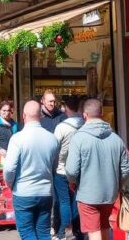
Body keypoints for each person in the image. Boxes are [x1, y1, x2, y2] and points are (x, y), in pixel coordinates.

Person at [65, 98, 129, 240]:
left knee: (94, 232)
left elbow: (71, 170)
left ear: (84, 115)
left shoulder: (79, 138)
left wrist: (72, 181)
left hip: (88, 194)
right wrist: (117, 185)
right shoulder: (116, 138)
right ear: (102, 113)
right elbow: (126, 169)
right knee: (105, 226)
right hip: (110, 194)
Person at [3, 101, 59, 240]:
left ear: (23, 116)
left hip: (23, 192)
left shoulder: (17, 139)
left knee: (27, 233)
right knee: (43, 233)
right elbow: (54, 166)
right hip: (45, 192)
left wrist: (10, 183)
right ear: (40, 115)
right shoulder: (52, 139)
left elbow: (10, 168)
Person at [53, 97, 86, 240]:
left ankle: (64, 231)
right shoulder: (84, 124)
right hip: (80, 169)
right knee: (76, 201)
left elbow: (54, 148)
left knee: (64, 201)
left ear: (66, 108)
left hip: (61, 169)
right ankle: (78, 230)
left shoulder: (61, 127)